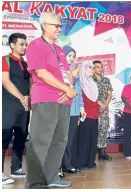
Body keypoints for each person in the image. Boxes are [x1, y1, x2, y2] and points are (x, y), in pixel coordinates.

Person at [25, 12, 77, 189]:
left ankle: (51, 177)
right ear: (44, 26)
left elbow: (68, 73)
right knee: (40, 141)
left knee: (59, 140)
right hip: (46, 99)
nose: (59, 29)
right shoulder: (35, 45)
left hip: (64, 100)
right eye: (56, 26)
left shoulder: (60, 49)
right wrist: (66, 89)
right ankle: (34, 182)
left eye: (60, 26)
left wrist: (70, 88)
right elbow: (41, 73)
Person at [2, 33, 30, 185]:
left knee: (21, 135)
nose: (24, 47)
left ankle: (16, 168)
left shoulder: (25, 63)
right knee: (4, 137)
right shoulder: (5, 60)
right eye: (21, 44)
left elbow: (30, 83)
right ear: (12, 45)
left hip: (24, 106)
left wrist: (28, 98)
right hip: (8, 104)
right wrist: (22, 97)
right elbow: (6, 81)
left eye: (25, 44)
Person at [60, 45, 86, 175]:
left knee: (70, 139)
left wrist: (81, 108)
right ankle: (60, 166)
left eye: (73, 57)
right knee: (62, 139)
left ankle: (67, 164)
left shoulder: (74, 71)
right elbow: (64, 86)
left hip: (74, 111)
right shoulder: (60, 70)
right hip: (64, 110)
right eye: (69, 55)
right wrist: (73, 76)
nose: (71, 59)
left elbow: (79, 91)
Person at [74, 61, 99, 170]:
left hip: (94, 116)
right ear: (84, 68)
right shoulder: (79, 83)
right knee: (83, 140)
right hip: (84, 116)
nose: (92, 70)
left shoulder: (93, 83)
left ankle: (90, 162)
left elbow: (94, 100)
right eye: (90, 67)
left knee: (93, 139)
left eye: (93, 68)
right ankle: (81, 162)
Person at [93, 60, 113, 161]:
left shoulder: (106, 80)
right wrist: (98, 102)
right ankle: (91, 152)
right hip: (93, 108)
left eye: (101, 67)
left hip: (104, 108)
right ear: (93, 68)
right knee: (92, 129)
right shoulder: (90, 79)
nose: (100, 69)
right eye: (97, 67)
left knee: (103, 128)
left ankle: (102, 152)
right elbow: (88, 93)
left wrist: (105, 105)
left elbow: (109, 94)